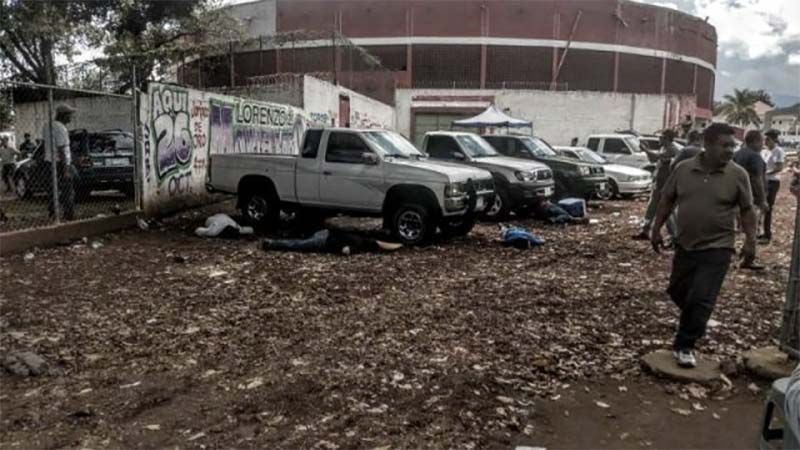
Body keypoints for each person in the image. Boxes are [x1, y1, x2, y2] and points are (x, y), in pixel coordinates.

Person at [651, 123, 758, 368]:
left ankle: (685, 345)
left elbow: (747, 210)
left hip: (719, 246)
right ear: (707, 145)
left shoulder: (737, 174)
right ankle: (698, 317)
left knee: (701, 297)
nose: (731, 150)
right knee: (677, 291)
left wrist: (751, 242)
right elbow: (667, 199)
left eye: (733, 145)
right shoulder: (683, 169)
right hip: (685, 244)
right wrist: (656, 228)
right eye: (725, 145)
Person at [634, 129, 679, 241]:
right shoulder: (663, 147)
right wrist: (646, 150)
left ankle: (674, 236)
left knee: (667, 211)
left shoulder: (672, 149)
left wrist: (646, 149)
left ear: (667, 139)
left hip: (666, 184)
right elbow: (653, 159)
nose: (659, 139)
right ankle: (645, 230)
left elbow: (658, 156)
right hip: (658, 182)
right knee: (651, 208)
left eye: (661, 137)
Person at [733, 130, 768, 269]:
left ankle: (743, 253)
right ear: (755, 141)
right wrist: (763, 200)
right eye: (761, 141)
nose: (762, 144)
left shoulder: (737, 154)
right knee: (752, 231)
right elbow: (757, 179)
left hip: (736, 197)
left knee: (744, 228)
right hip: (751, 199)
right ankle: (749, 259)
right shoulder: (755, 157)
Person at [41, 104, 76, 220]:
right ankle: (68, 215)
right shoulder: (61, 127)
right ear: (63, 115)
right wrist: (66, 170)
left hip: (49, 162)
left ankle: (53, 213)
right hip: (60, 163)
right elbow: (61, 149)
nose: (71, 117)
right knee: (67, 190)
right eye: (69, 115)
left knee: (52, 190)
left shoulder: (47, 126)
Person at [263, 229, 403, 255]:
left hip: (326, 232)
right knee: (297, 244)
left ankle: (277, 238)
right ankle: (272, 243)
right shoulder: (358, 245)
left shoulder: (361, 236)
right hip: (324, 240)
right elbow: (345, 251)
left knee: (300, 238)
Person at [761, 129, 785, 243]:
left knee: (768, 208)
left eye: (768, 139)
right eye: (765, 139)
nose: (766, 141)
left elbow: (779, 167)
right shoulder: (765, 151)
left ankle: (767, 234)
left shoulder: (778, 151)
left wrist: (766, 173)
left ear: (774, 140)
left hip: (772, 182)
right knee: (762, 207)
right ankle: (762, 232)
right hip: (764, 181)